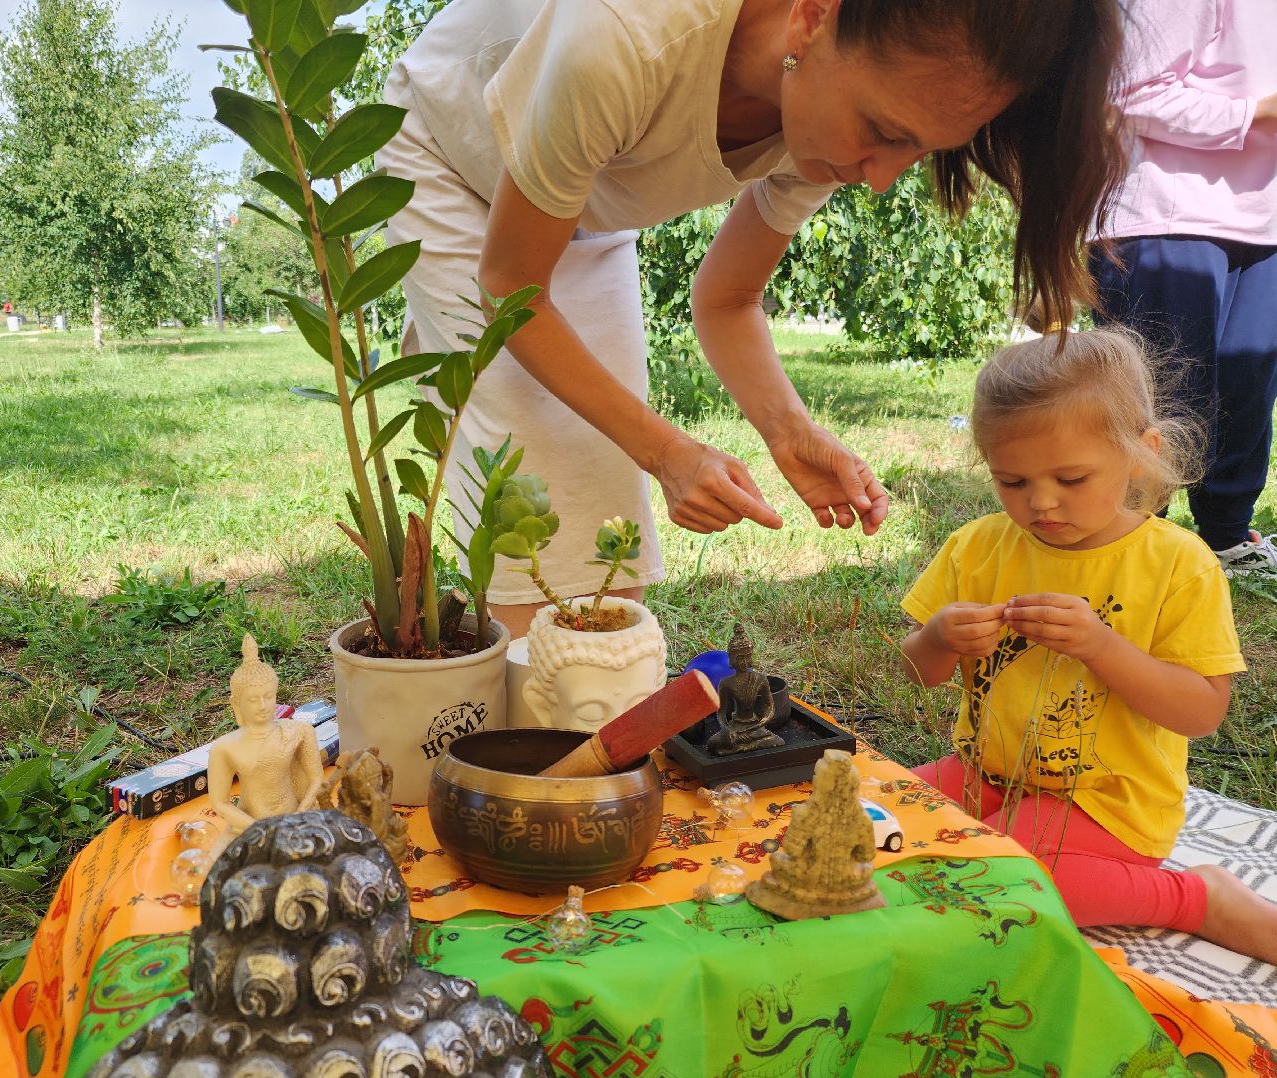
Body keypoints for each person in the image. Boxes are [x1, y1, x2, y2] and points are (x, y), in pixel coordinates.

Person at [379, 0, 1127, 638]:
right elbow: (514, 285)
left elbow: (727, 297)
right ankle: (510, 757)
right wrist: (668, 451)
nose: (880, 178)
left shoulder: (830, 113)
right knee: (527, 488)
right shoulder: (626, 36)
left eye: (919, 150)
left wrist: (789, 431)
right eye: (885, 131)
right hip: (449, 151)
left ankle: (573, 727)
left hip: (583, 202)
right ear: (812, 16)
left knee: (595, 508)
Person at [899, 329, 1277, 964]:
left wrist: (1101, 646)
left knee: (994, 875)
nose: (1041, 502)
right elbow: (919, 670)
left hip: (1110, 803)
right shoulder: (979, 547)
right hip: (985, 775)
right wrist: (939, 637)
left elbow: (1201, 711)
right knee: (873, 818)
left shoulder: (1176, 564)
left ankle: (1197, 899)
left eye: (1071, 478)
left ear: (1140, 454)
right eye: (1012, 481)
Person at [1090, 0, 1277, 579]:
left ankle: (1226, 538)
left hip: (1264, 215)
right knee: (1162, 395)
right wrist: (1255, 114)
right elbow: (1127, 91)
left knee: (1248, 390)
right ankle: (1124, 543)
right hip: (1165, 209)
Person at [207, 635, 326, 834]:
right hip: (251, 825)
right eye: (253, 699)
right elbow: (220, 803)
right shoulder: (224, 748)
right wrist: (259, 829)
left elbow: (317, 780)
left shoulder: (298, 731)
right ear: (236, 704)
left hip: (297, 818)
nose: (262, 706)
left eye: (268, 696)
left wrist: (301, 813)